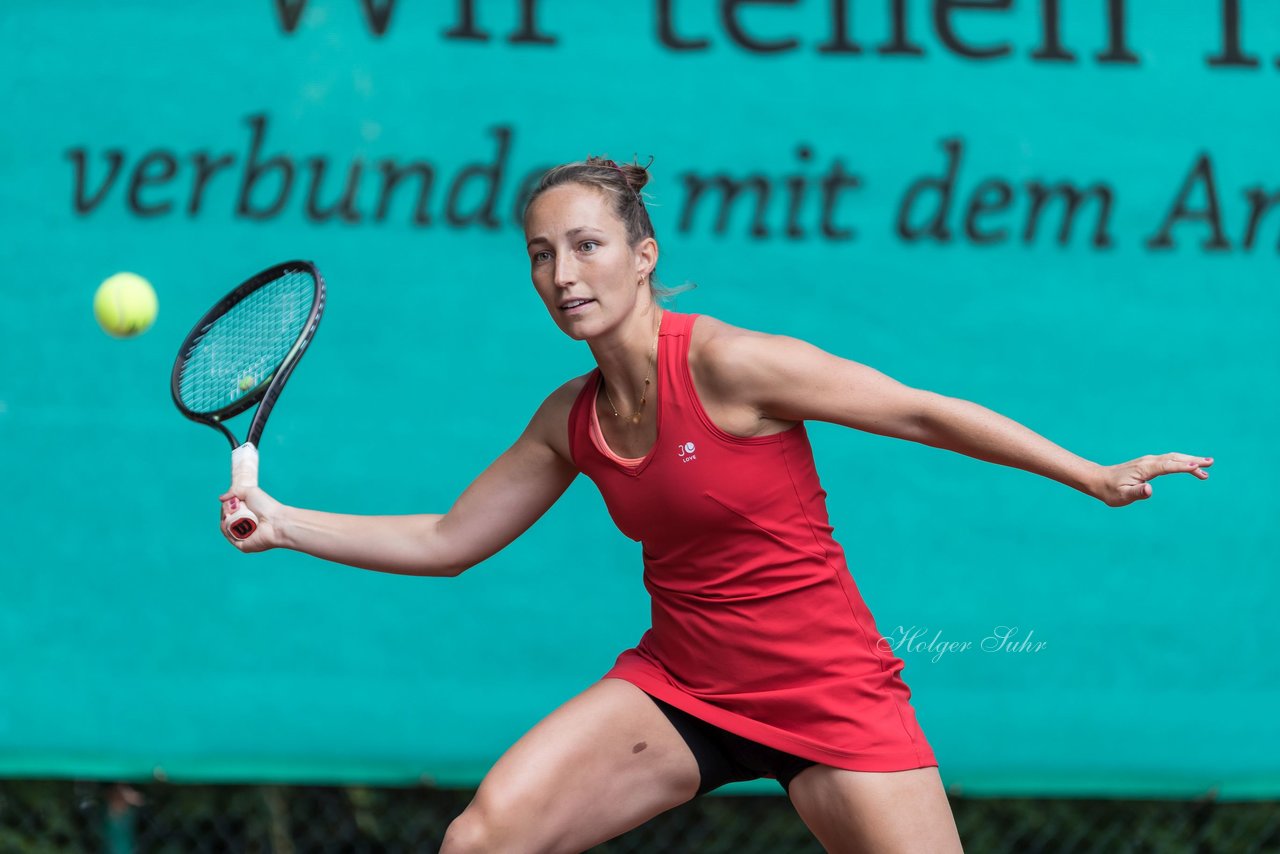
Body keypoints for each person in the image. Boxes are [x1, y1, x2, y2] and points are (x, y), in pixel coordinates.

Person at [219, 156, 1213, 853]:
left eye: (585, 245)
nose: (562, 274)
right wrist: (285, 521)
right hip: (681, 687)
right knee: (481, 838)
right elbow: (447, 537)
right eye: (539, 254)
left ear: (641, 254)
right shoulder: (568, 416)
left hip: (828, 696)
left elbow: (917, 411)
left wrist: (1085, 470)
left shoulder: (733, 364)